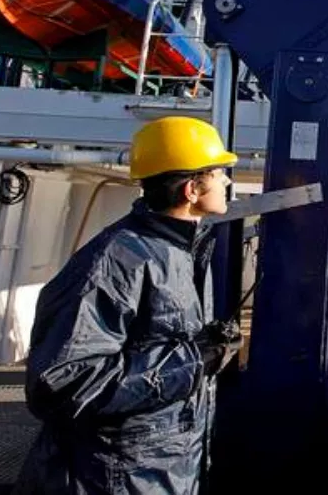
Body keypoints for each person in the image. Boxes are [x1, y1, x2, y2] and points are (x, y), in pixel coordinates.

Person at [14, 116, 243, 494]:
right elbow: (61, 383)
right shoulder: (116, 262)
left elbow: (153, 342)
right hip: (113, 476)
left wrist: (206, 343)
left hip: (159, 468)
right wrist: (192, 360)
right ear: (191, 189)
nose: (228, 181)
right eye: (220, 173)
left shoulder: (181, 250)